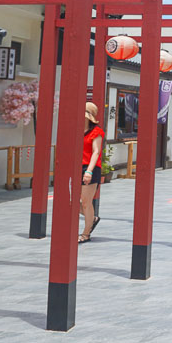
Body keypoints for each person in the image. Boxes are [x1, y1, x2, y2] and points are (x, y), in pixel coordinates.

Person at [79, 102, 104, 244]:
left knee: (86, 202)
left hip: (90, 168)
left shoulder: (96, 132)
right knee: (71, 201)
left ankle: (86, 233)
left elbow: (96, 152)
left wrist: (89, 170)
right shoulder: (76, 130)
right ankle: (92, 218)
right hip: (76, 168)